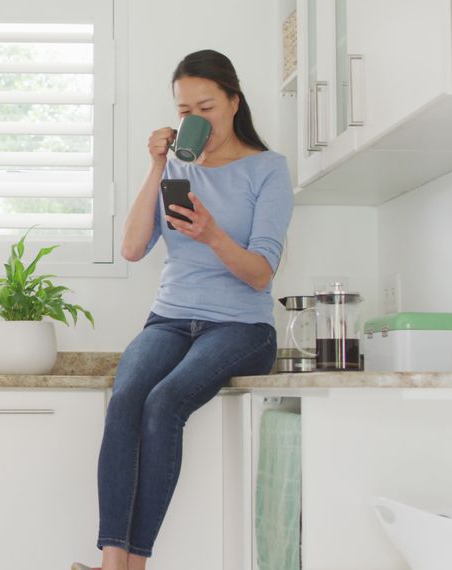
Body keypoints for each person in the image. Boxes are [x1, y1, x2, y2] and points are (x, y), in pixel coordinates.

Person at [72, 49, 293, 570]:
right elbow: (131, 248)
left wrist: (212, 234)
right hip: (170, 318)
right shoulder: (175, 166)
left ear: (234, 102)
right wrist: (156, 166)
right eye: (184, 111)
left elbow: (261, 272)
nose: (195, 120)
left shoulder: (268, 170)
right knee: (125, 396)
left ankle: (136, 563)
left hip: (242, 327)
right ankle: (111, 562)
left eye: (207, 107)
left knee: (165, 401)